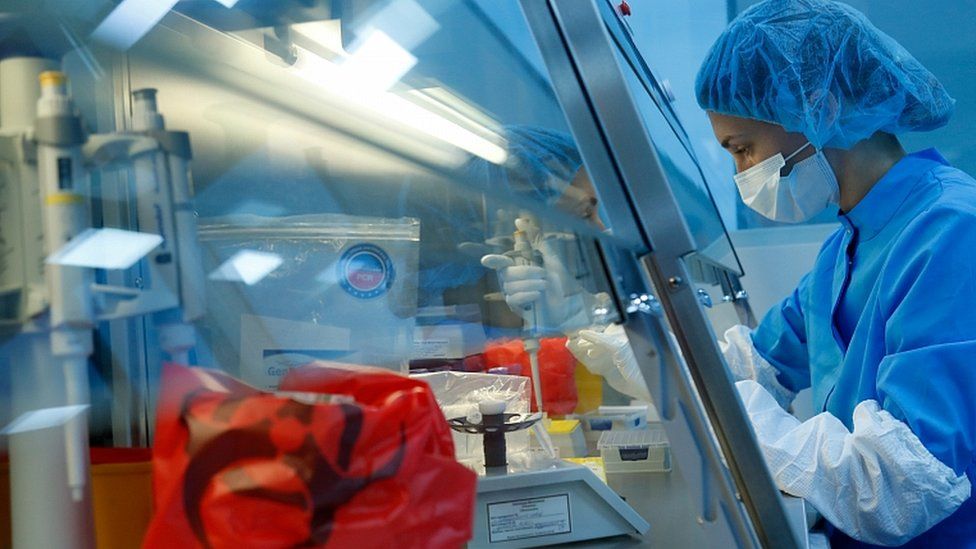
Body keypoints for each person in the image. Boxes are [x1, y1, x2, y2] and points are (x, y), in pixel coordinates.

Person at [695, 0, 975, 546]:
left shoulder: (952, 232)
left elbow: (904, 489)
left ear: (816, 108)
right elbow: (761, 361)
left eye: (744, 148)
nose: (741, 175)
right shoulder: (843, 248)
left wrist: (749, 419)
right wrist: (648, 353)